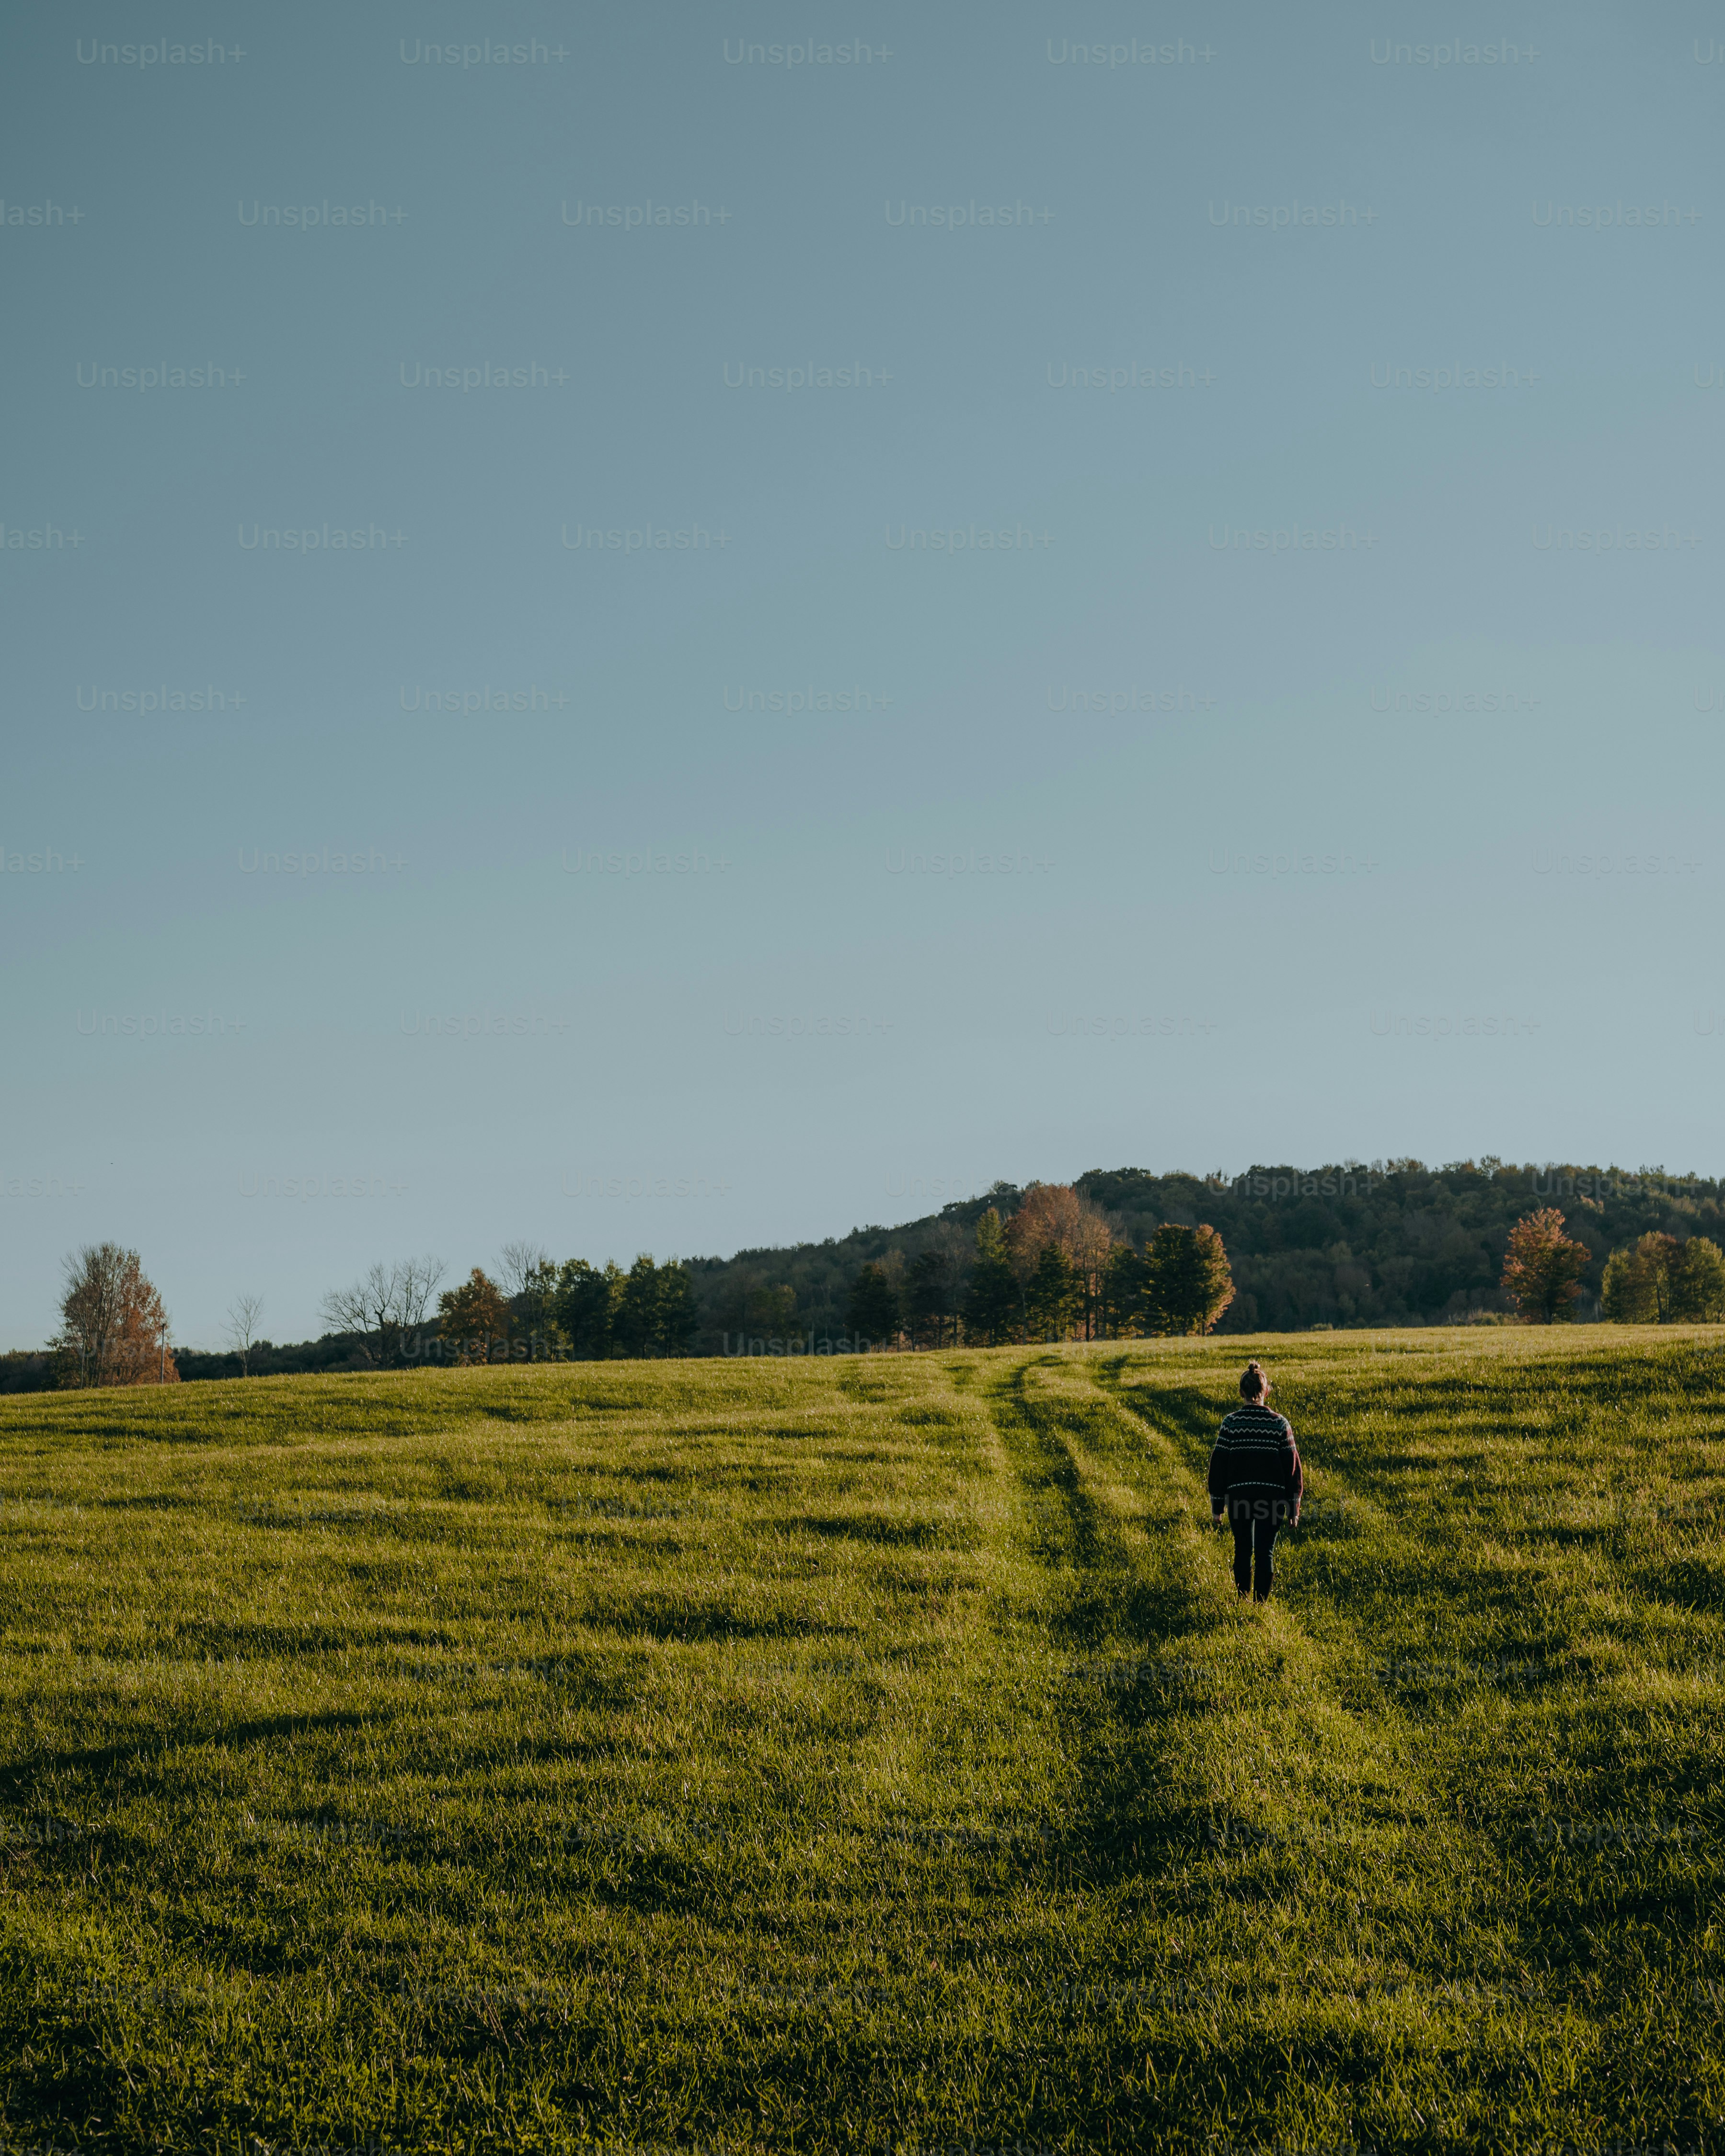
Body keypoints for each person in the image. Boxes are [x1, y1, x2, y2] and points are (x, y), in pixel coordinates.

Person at [1208, 1359, 1302, 1602]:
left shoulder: (1231, 1423)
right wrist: (1294, 1507)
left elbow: (1218, 1465)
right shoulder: (1280, 1424)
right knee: (1265, 1552)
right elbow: (1292, 1468)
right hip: (1272, 1499)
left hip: (1239, 1497)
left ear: (1241, 1392)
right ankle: (1260, 1605)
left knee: (1242, 1550)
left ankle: (1242, 1600)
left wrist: (1218, 1506)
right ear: (1266, 1392)